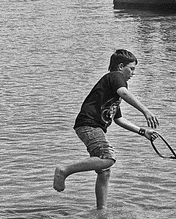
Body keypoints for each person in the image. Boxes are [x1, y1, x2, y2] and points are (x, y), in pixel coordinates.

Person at [53, 49, 159, 210]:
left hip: (90, 127)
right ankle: (64, 170)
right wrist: (146, 111)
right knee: (108, 157)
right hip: (90, 125)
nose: (133, 73)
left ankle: (101, 212)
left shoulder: (113, 90)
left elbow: (118, 119)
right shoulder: (115, 77)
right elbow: (124, 92)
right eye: (131, 68)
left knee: (104, 171)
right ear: (121, 66)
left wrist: (143, 131)